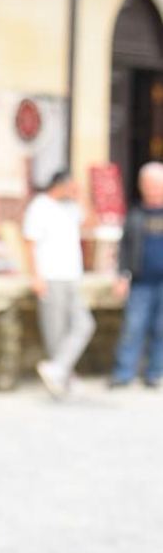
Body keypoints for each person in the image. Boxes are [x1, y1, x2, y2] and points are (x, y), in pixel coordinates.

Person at [23, 170, 96, 398]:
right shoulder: (40, 206)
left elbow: (93, 223)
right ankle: (62, 378)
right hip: (50, 276)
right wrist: (35, 276)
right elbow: (29, 243)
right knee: (56, 333)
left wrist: (81, 197)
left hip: (72, 276)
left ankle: (58, 370)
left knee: (84, 324)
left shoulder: (71, 207)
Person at [109, 161, 163, 388]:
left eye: (156, 184)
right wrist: (122, 275)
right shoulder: (135, 215)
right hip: (141, 281)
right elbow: (125, 248)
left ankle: (155, 373)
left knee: (161, 329)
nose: (152, 189)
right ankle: (123, 374)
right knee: (133, 327)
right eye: (148, 184)